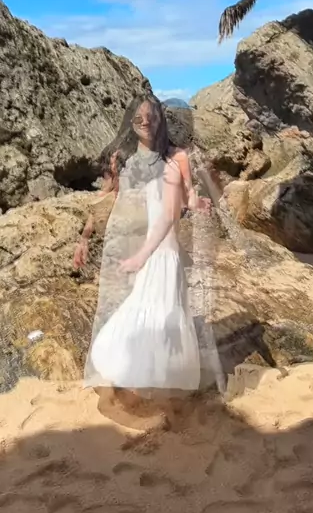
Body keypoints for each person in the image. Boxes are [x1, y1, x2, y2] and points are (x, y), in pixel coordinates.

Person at [74, 95, 211, 401]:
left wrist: (198, 203)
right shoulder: (122, 157)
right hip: (128, 242)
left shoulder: (177, 157)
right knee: (134, 309)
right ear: (131, 121)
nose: (145, 122)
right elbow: (104, 198)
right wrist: (84, 238)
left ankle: (150, 385)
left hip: (160, 245)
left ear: (161, 120)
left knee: (159, 309)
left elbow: (186, 197)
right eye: (139, 117)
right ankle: (134, 380)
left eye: (152, 117)